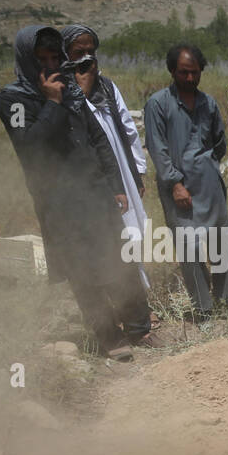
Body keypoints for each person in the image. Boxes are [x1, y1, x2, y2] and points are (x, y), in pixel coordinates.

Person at [0, 26, 153, 359]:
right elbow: (29, 147)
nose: (51, 65)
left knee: (120, 260)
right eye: (42, 59)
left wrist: (115, 185)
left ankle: (140, 329)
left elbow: (98, 137)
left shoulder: (70, 88)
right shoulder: (13, 99)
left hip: (96, 192)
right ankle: (110, 339)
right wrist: (53, 104)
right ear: (27, 60)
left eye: (56, 57)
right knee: (83, 273)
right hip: (60, 203)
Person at [144, 42, 228, 317]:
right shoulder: (158, 104)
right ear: (172, 71)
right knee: (189, 247)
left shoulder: (208, 103)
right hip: (179, 188)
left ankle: (227, 301)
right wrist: (175, 183)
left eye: (195, 72)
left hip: (209, 183)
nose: (190, 78)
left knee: (219, 242)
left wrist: (205, 166)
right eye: (184, 72)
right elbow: (158, 149)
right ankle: (203, 308)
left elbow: (219, 143)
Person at [62, 24, 152, 292]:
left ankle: (138, 294)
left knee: (130, 232)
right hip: (88, 177)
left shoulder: (108, 87)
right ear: (66, 53)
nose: (87, 57)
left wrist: (137, 173)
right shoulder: (61, 90)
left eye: (91, 51)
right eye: (79, 52)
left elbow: (128, 129)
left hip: (121, 171)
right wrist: (82, 90)